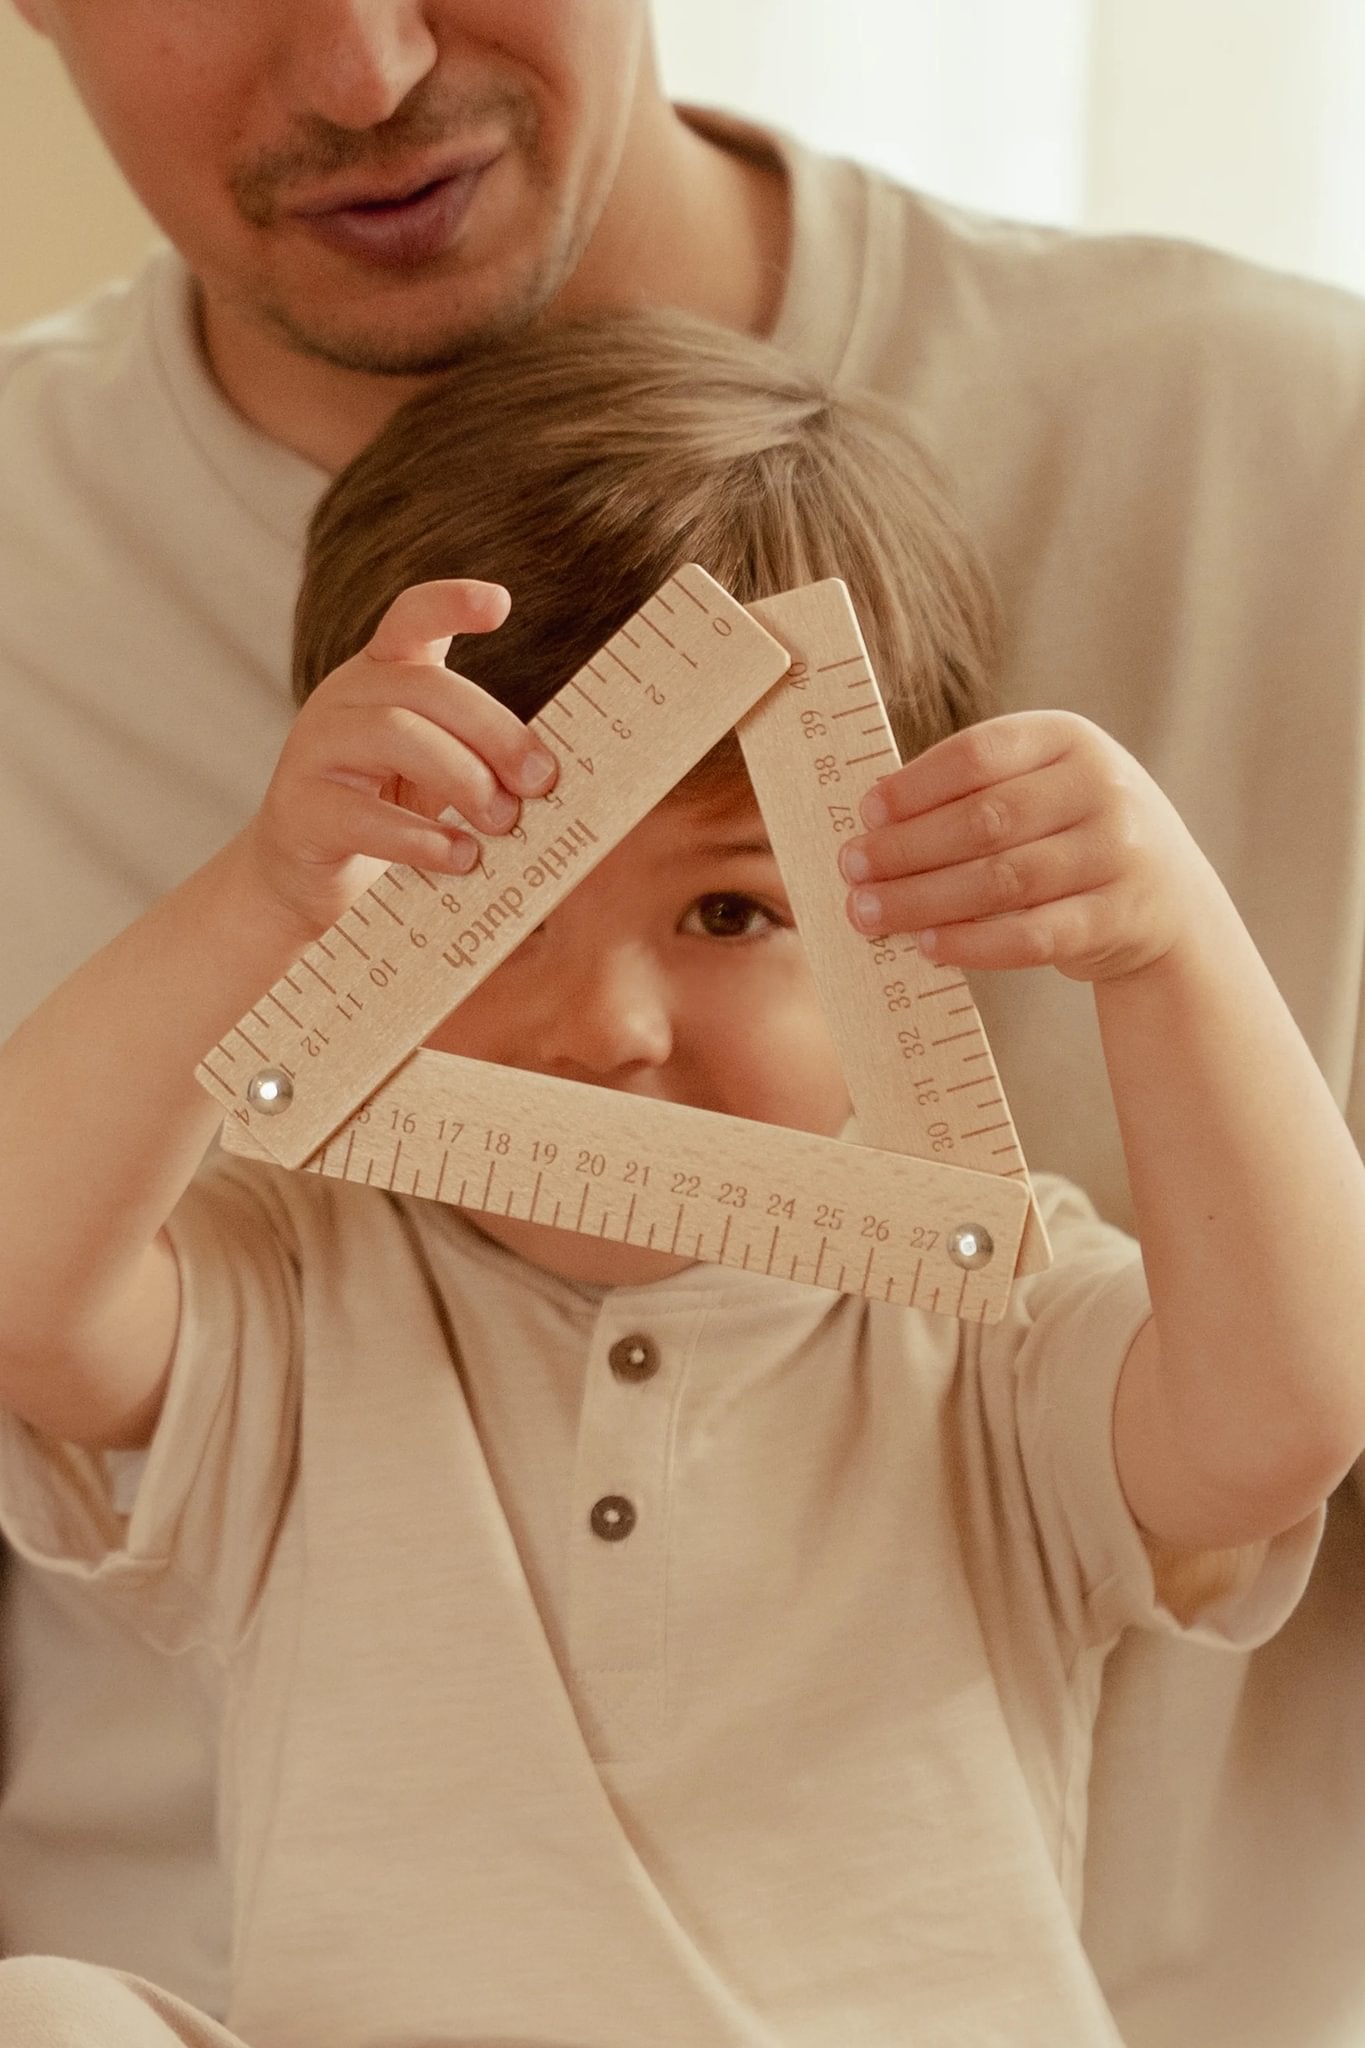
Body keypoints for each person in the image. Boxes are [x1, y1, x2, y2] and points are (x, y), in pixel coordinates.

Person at [1, 4, 1364, 2042]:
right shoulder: (299, 1308)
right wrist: (262, 900)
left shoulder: (977, 1324)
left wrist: (1166, 952)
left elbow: (1282, 1408)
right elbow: (29, 1293)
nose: (610, 1020)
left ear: (897, 941)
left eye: (736, 906)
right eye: (486, 895)